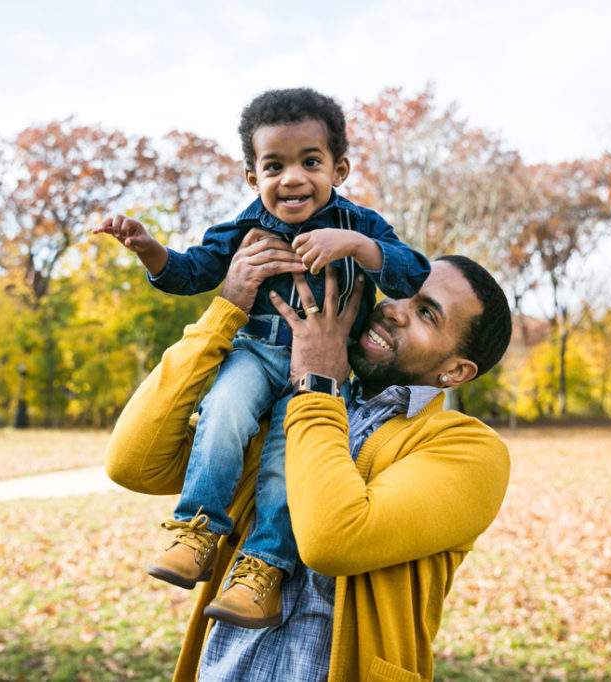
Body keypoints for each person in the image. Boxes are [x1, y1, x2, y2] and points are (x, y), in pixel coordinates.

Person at [104, 232, 512, 681]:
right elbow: (134, 462)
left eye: (426, 314)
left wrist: (318, 383)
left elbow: (332, 540)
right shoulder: (282, 402)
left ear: (455, 371)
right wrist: (224, 315)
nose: (394, 309)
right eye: (401, 292)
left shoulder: (468, 451)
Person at [95, 88, 430, 629]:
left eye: (310, 162)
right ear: (253, 177)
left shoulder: (360, 225)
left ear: (338, 168)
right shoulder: (245, 228)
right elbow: (191, 272)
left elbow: (411, 272)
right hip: (254, 353)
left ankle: (263, 572)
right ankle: (198, 530)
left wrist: (357, 247)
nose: (292, 178)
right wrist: (149, 249)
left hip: (322, 371)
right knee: (222, 414)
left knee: (282, 464)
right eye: (274, 166)